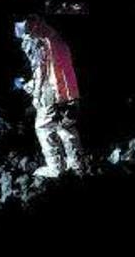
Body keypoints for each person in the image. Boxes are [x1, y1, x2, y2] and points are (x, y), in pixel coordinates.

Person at [14, 16, 84, 178]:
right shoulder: (55, 38)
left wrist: (35, 93)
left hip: (52, 93)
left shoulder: (37, 41)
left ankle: (56, 168)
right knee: (66, 127)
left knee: (44, 128)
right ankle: (78, 166)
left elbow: (41, 71)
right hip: (70, 92)